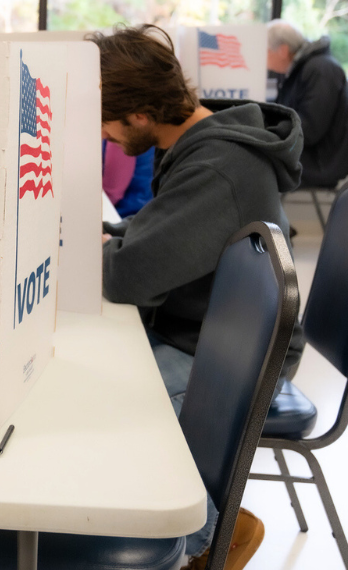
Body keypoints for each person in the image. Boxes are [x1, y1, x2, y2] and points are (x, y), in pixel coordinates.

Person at [90, 24, 305, 570]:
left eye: (105, 122)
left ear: (141, 114)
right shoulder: (205, 144)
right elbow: (163, 227)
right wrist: (112, 237)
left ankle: (207, 538)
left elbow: (129, 278)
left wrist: (105, 251)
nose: (104, 135)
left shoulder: (217, 166)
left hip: (231, 355)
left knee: (98, 405)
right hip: (207, 332)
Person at [267, 19, 348, 188]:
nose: (264, 57)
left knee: (254, 158)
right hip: (314, 155)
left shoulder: (321, 70)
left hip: (321, 163)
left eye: (266, 51)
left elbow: (310, 130)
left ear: (282, 50)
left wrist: (269, 128)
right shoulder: (306, 68)